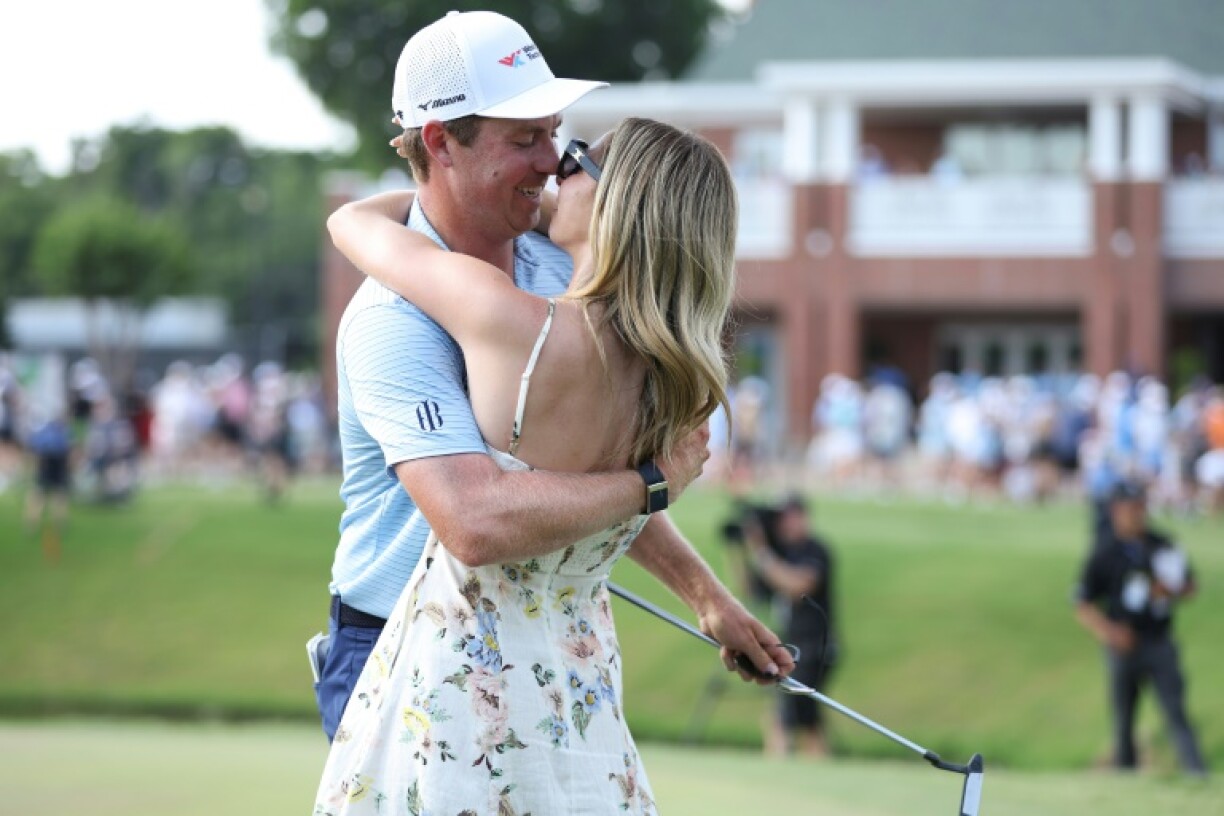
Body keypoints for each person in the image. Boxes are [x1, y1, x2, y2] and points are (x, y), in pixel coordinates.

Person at [315, 6, 791, 768]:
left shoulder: (558, 275)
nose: (548, 161)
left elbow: (577, 479)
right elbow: (475, 518)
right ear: (441, 142)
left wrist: (704, 591)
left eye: (556, 137)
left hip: (540, 641)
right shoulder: (391, 319)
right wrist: (648, 484)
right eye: (525, 140)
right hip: (395, 641)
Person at [1073, 480, 1207, 775]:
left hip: (1158, 640)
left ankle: (1196, 772)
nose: (1137, 514)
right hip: (1123, 643)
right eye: (1130, 508)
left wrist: (1170, 591)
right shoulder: (1105, 551)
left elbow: (1189, 585)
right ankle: (1125, 776)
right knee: (1123, 718)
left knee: (1175, 710)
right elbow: (1082, 602)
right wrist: (1110, 632)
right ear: (1116, 510)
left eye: (1140, 507)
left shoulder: (1161, 544)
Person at [742, 495, 838, 757]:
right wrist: (741, 550)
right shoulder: (780, 555)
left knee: (787, 715)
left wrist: (762, 554)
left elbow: (797, 586)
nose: (785, 524)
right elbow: (751, 592)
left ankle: (780, 764)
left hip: (815, 646)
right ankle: (815, 765)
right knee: (805, 718)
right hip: (793, 645)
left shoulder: (815, 550)